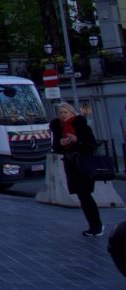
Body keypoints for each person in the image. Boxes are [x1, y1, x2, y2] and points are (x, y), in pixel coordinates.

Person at [50, 101, 103, 237]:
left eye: (65, 112)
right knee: (81, 195)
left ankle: (96, 226)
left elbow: (91, 143)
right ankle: (93, 226)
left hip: (83, 163)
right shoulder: (58, 128)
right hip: (71, 164)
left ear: (72, 113)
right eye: (60, 113)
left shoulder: (80, 124)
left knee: (85, 194)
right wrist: (61, 143)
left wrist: (77, 140)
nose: (62, 115)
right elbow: (56, 147)